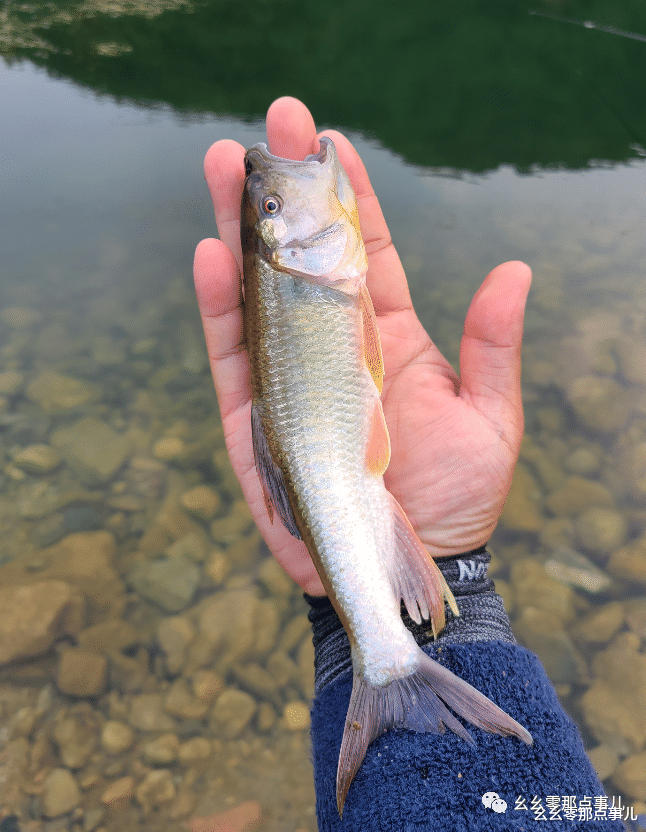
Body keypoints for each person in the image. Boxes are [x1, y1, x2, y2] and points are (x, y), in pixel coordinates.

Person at [193, 97, 629, 831]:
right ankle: (388, 663)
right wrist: (456, 572)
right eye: (273, 202)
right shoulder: (308, 273)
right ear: (280, 242)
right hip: (344, 486)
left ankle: (378, 658)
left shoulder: (318, 271)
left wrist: (362, 620)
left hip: (341, 487)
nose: (274, 189)